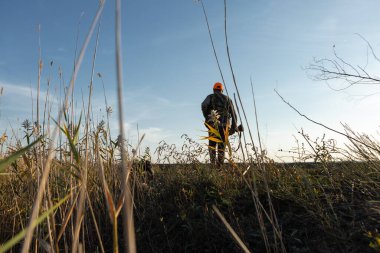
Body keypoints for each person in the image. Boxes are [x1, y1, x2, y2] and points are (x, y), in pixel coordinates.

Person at [201, 82, 238, 167]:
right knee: (222, 147)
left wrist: (207, 117)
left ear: (214, 90)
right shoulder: (228, 99)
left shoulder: (210, 97)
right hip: (225, 126)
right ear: (222, 90)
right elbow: (234, 114)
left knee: (212, 146)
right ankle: (220, 167)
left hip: (213, 126)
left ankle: (213, 166)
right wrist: (233, 127)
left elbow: (203, 105)